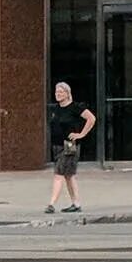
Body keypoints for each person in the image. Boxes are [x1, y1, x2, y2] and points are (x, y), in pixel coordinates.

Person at [46, 79, 95, 216]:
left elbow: (91, 118)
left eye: (61, 92)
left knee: (58, 174)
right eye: (57, 92)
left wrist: (81, 134)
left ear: (67, 93)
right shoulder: (55, 109)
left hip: (69, 145)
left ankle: (51, 204)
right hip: (57, 145)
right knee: (69, 175)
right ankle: (76, 203)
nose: (58, 94)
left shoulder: (75, 107)